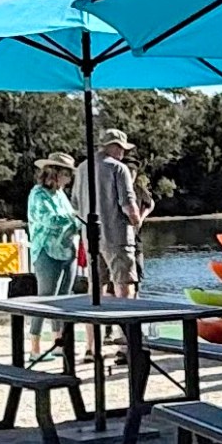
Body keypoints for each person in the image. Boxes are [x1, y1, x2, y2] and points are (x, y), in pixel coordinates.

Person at [73, 129, 144, 298]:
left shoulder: (82, 168)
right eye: (121, 148)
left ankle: (93, 323)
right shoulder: (119, 168)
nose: (123, 152)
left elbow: (75, 204)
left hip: (90, 238)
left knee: (96, 285)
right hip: (117, 236)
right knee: (124, 283)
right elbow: (128, 206)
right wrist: (137, 222)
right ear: (113, 146)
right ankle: (126, 322)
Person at [25, 154, 82, 351]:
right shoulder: (38, 194)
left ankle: (59, 342)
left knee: (64, 298)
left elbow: (74, 219)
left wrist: (76, 220)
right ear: (55, 173)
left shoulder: (61, 194)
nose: (69, 179)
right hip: (46, 251)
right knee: (45, 298)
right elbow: (49, 219)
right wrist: (73, 217)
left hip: (67, 250)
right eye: (67, 174)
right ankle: (35, 346)